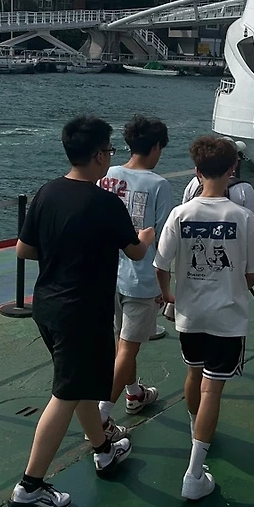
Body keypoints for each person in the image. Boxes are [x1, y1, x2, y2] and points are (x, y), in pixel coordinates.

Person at [8, 116, 152, 507]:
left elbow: (24, 250)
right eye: (109, 150)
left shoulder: (47, 192)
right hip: (82, 313)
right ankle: (29, 487)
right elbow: (135, 252)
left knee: (80, 385)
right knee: (67, 393)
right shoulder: (106, 203)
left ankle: (104, 450)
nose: (110, 156)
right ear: (98, 155)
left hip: (47, 307)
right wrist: (146, 237)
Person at [156, 136, 254, 501]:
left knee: (194, 375)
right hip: (227, 316)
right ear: (232, 169)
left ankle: (197, 429)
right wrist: (237, 281)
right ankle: (194, 473)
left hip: (189, 315)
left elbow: (161, 264)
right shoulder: (241, 217)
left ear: (197, 171)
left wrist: (169, 295)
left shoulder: (181, 214)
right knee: (212, 388)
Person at [97, 115, 173, 431]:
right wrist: (165, 285)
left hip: (106, 275)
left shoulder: (107, 175)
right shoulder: (158, 185)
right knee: (128, 349)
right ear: (155, 147)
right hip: (141, 279)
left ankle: (134, 393)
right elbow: (165, 239)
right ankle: (101, 416)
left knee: (121, 344)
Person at [181, 142, 254, 215]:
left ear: (198, 171)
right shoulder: (244, 188)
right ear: (233, 166)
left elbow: (185, 208)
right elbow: (253, 219)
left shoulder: (194, 183)